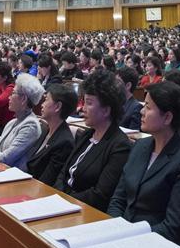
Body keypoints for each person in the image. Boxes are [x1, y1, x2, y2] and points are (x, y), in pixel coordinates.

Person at [107, 81, 180, 243]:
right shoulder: (140, 146)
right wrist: (115, 228)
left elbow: (174, 226)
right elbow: (118, 199)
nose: (142, 112)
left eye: (148, 107)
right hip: (121, 234)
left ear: (167, 117)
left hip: (153, 242)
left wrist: (129, 236)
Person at [55, 70, 131, 211]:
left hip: (84, 211)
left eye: (89, 103)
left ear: (106, 110)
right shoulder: (87, 134)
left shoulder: (119, 146)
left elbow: (100, 194)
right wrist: (58, 195)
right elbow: (63, 172)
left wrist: (66, 201)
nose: (82, 109)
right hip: (63, 203)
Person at [0, 74, 44, 170]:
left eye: (13, 93)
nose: (9, 97)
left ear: (23, 99)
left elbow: (6, 159)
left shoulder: (30, 125)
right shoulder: (12, 122)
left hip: (12, 177)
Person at [27, 83, 76, 186]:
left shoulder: (64, 142)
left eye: (46, 100)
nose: (42, 104)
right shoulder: (45, 129)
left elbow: (46, 182)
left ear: (58, 106)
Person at [118, 65, 143, 131]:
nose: (114, 85)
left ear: (128, 85)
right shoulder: (114, 102)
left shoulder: (136, 107)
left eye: (118, 82)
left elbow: (134, 134)